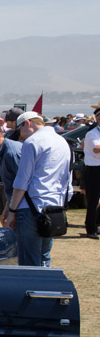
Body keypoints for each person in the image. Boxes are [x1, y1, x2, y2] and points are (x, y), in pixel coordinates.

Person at [3, 111, 71, 266]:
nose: (20, 137)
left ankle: (30, 289)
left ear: (28, 123)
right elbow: (67, 178)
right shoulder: (62, 142)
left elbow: (22, 181)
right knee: (44, 257)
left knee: (29, 260)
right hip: (54, 207)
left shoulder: (32, 142)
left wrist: (12, 210)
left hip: (30, 208)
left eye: (19, 131)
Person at [81, 101, 100, 239]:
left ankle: (96, 222)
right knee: (93, 201)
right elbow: (96, 149)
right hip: (94, 170)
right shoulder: (92, 133)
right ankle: (90, 228)